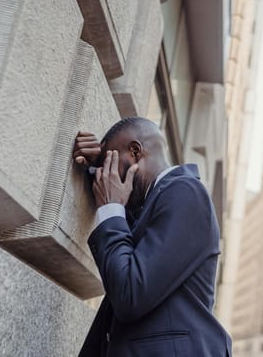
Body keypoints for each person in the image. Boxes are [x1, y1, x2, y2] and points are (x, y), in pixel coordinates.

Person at [72, 117, 232, 356]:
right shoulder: (158, 203)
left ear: (135, 151)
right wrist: (96, 167)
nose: (109, 178)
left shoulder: (185, 191)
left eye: (112, 168)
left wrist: (111, 207)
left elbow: (130, 292)